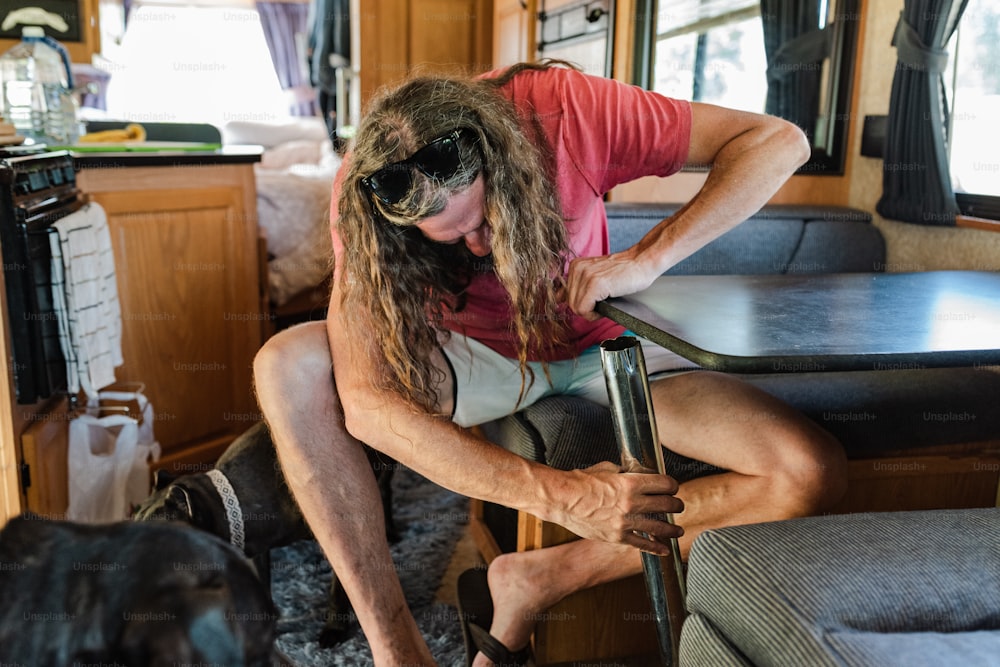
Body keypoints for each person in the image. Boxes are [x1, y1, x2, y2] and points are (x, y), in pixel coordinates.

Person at [253, 60, 848, 667]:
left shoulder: (564, 109)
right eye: (451, 239)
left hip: (604, 346)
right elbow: (370, 405)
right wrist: (562, 498)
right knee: (286, 365)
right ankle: (396, 651)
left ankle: (540, 579)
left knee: (806, 470)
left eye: (484, 219)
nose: (479, 245)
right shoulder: (366, 189)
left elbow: (779, 141)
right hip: (475, 355)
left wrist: (648, 257)